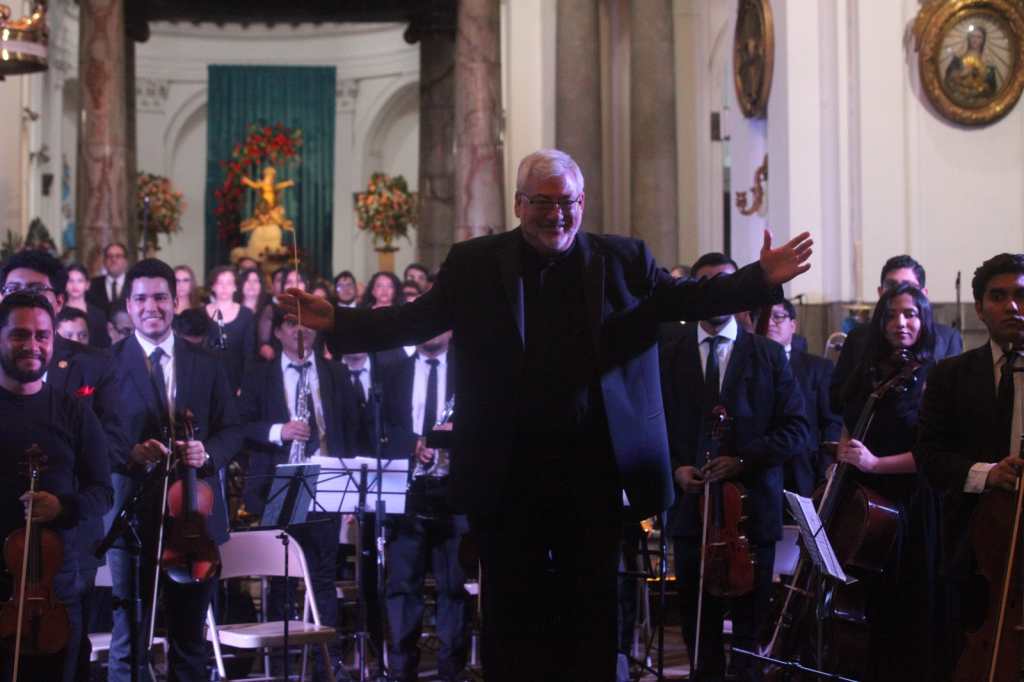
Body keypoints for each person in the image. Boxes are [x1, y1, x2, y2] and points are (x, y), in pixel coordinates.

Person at [277, 149, 812, 680]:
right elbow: (415, 320)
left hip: (594, 471)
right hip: (508, 473)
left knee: (593, 615)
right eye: (543, 202)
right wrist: (339, 323)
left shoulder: (623, 259)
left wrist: (759, 277)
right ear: (517, 204)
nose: (557, 214)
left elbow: (690, 299)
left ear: (584, 202)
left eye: (569, 202)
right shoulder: (476, 263)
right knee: (511, 618)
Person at [661, 253, 808, 682]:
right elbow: (656, 427)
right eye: (705, 283)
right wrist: (676, 468)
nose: (717, 292)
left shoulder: (767, 355)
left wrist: (744, 460)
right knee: (698, 632)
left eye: (726, 282)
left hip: (750, 516)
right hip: (692, 517)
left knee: (748, 636)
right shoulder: (669, 354)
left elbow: (797, 430)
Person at [107, 258, 241, 682]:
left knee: (189, 643)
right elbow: (95, 438)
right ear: (128, 305)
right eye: (142, 298)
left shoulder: (206, 362)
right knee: (129, 642)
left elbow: (233, 428)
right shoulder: (106, 365)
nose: (152, 306)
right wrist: (130, 453)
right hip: (131, 523)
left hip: (191, 525)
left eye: (161, 297)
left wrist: (210, 453)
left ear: (175, 299)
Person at [0, 250, 127, 682]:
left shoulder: (74, 411)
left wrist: (62, 508)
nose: (31, 346)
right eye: (19, 336)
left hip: (58, 580)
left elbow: (101, 491)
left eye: (41, 337)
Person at [916, 253, 1024, 678]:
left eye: (1020, 295)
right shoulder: (949, 376)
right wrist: (988, 473)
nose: (1012, 306)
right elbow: (929, 456)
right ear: (979, 308)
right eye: (998, 297)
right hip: (977, 551)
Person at [239, 307, 356, 681]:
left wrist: (352, 494)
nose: (301, 330)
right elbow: (240, 425)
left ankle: (327, 663)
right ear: (278, 332)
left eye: (309, 323)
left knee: (323, 575)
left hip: (326, 477)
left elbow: (351, 427)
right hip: (282, 479)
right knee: (283, 574)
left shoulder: (336, 372)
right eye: (291, 324)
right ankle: (284, 664)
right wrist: (279, 431)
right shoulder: (259, 375)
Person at [834, 283, 944, 680]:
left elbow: (932, 453)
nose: (901, 323)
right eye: (893, 315)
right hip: (864, 502)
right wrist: (845, 452)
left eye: (911, 314)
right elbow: (850, 425)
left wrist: (875, 463)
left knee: (907, 605)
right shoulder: (869, 373)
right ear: (881, 323)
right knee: (869, 601)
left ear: (923, 320)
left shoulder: (935, 376)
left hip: (909, 504)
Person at [380, 331, 468, 681]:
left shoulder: (470, 370)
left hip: (455, 490)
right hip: (408, 492)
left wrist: (458, 432)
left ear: (450, 329)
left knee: (454, 588)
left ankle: (451, 672)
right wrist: (411, 444)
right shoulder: (393, 371)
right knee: (402, 587)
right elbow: (381, 427)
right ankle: (401, 672)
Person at [831, 255, 962, 414]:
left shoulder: (948, 338)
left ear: (923, 295)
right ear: (880, 292)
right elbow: (838, 399)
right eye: (891, 286)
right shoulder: (858, 337)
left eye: (909, 287)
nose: (899, 293)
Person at [765, 299, 842, 494]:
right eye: (764, 316)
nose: (770, 322)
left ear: (793, 325)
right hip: (760, 464)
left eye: (778, 316)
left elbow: (831, 422)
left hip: (805, 467)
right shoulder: (745, 366)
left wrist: (826, 468)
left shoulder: (818, 367)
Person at [205, 265, 256, 394]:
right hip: (207, 381)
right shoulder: (201, 313)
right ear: (212, 286)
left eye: (229, 283)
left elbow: (249, 354)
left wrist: (244, 384)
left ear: (235, 287)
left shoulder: (246, 314)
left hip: (236, 382)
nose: (224, 287)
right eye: (219, 283)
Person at [65, 262, 112, 347]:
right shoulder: (57, 312)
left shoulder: (98, 315)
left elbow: (104, 346)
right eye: (70, 281)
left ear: (87, 285)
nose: (75, 285)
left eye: (80, 281)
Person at [86, 242, 129, 311]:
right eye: (109, 256)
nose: (113, 260)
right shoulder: (92, 285)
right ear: (104, 261)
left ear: (126, 261)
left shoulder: (134, 284)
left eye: (118, 256)